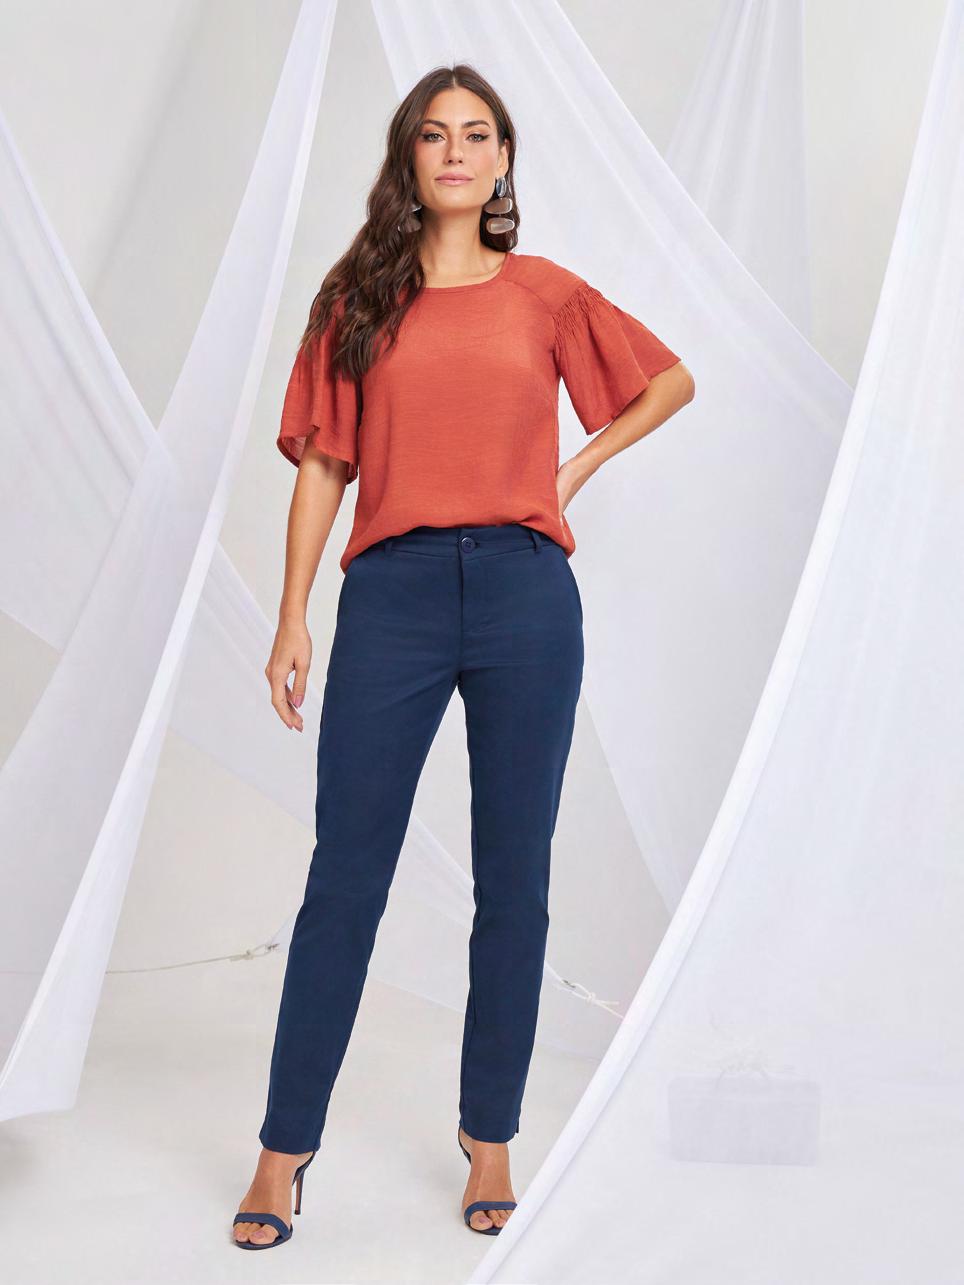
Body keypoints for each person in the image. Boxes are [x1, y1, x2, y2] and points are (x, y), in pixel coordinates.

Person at [232, 62, 694, 1250]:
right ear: (409, 157)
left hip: (524, 594)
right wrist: (292, 614)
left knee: (514, 879)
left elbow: (668, 381)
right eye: (433, 134)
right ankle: (283, 1148)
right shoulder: (358, 301)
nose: (454, 151)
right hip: (391, 596)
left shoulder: (543, 294)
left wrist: (570, 471)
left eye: (476, 134)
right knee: (347, 874)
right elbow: (324, 465)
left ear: (501, 161)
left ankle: (490, 1136)